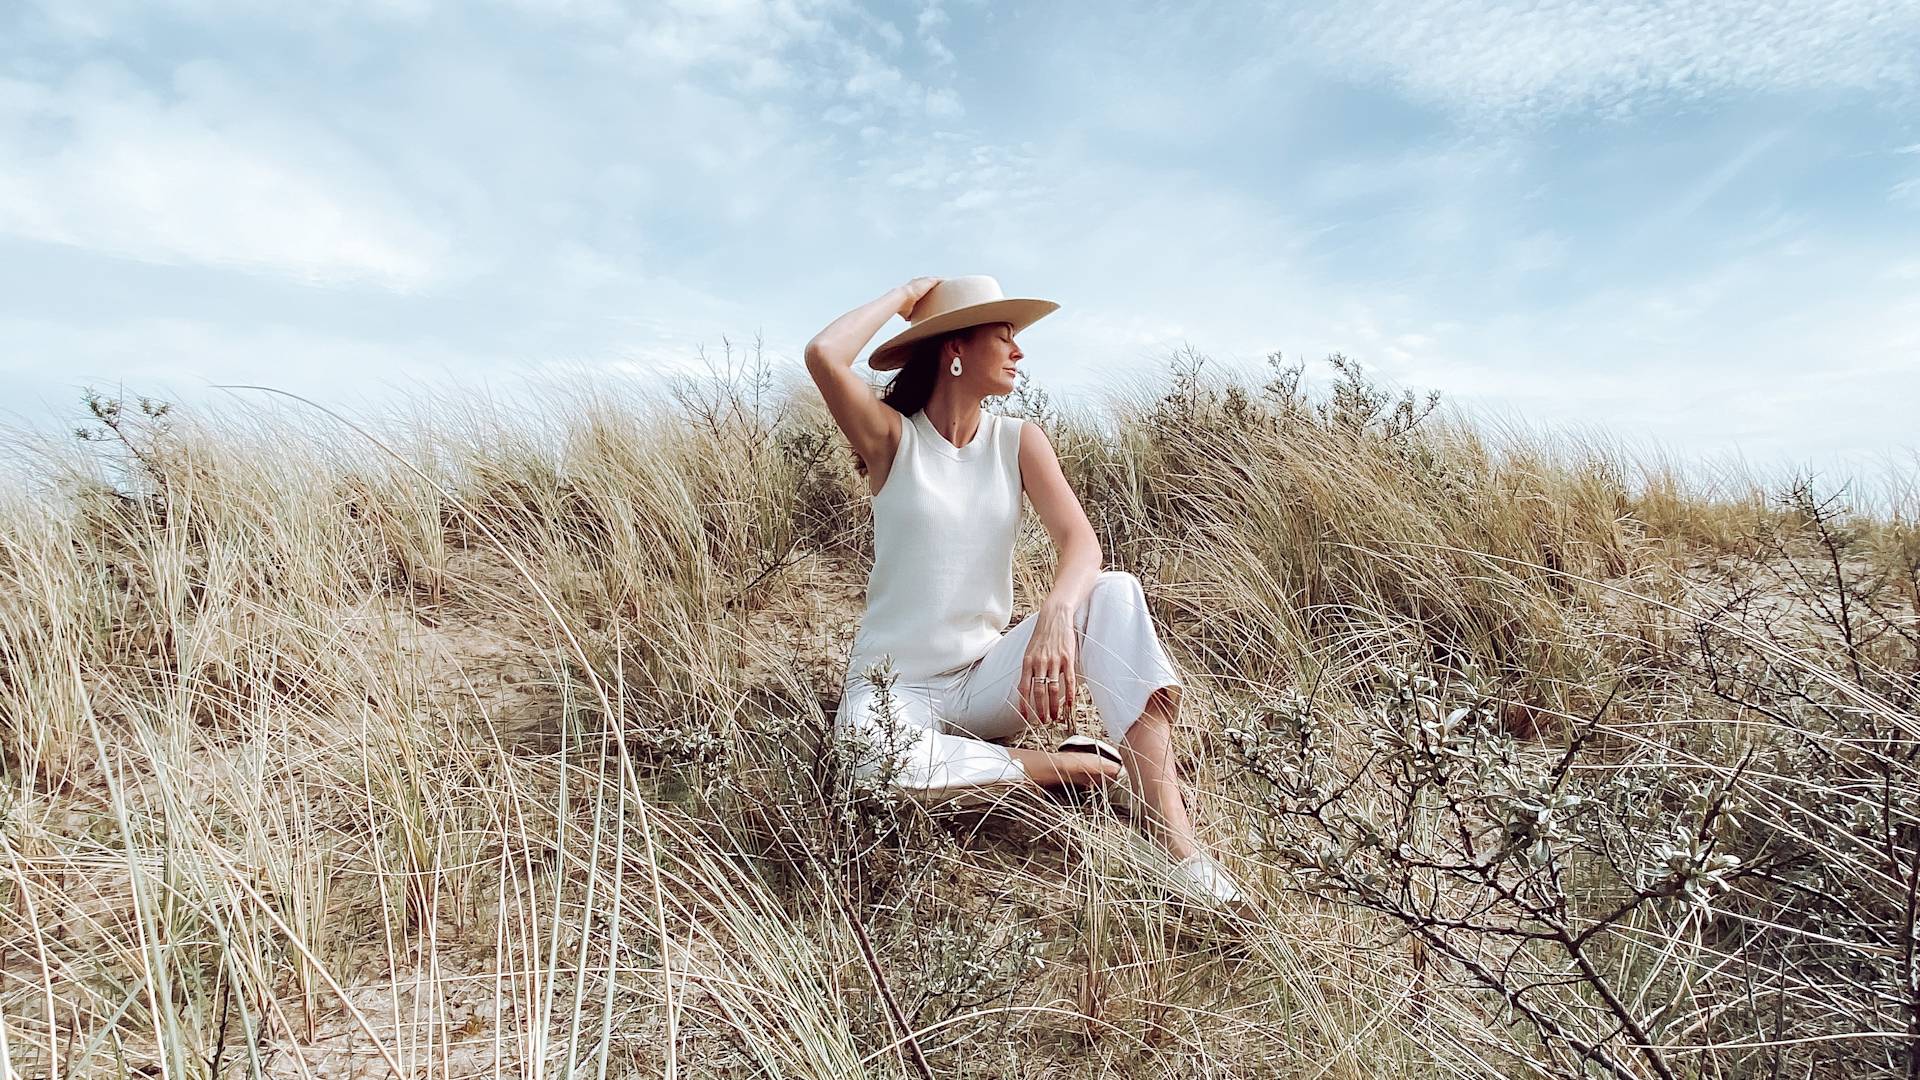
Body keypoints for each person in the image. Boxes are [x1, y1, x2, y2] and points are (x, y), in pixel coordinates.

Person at [804, 274, 1245, 907]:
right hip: (893, 688)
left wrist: (1056, 613)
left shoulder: (1019, 440)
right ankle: (1059, 769)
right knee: (867, 766)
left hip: (986, 679)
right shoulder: (892, 440)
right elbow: (824, 355)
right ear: (955, 346)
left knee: (1115, 592)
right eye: (1003, 335)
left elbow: (1083, 544)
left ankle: (1176, 842)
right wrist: (905, 299)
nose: (1019, 351)